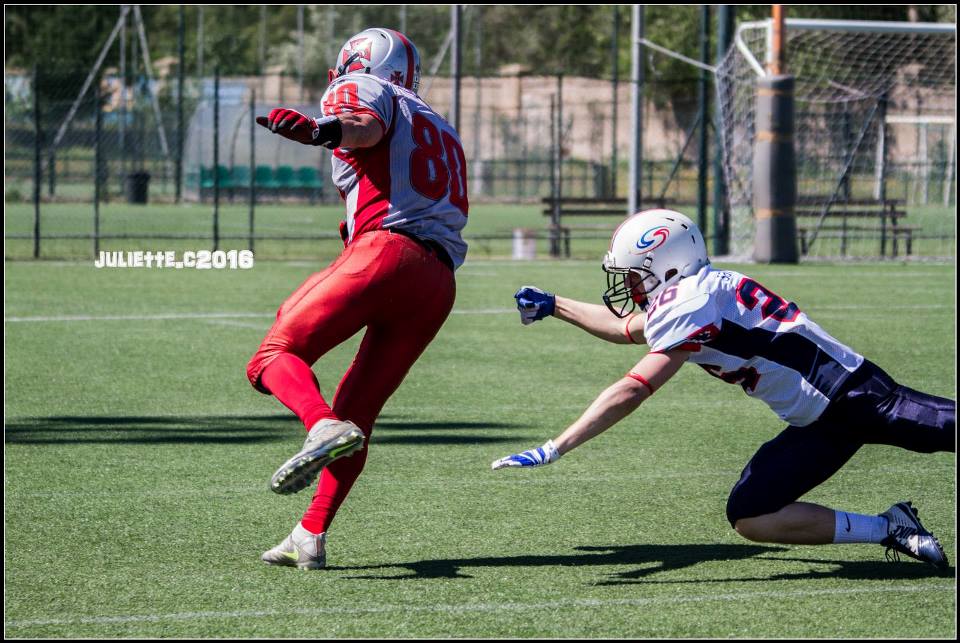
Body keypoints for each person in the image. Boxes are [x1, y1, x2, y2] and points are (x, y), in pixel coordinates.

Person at [492, 209, 953, 568]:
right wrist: (556, 305)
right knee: (750, 513)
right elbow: (625, 328)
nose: (630, 287)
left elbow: (633, 389)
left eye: (635, 275)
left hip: (858, 397)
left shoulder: (691, 299)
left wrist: (557, 446)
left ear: (665, 265)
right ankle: (890, 528)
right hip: (816, 423)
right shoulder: (693, 292)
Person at [247, 27, 469, 569]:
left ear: (358, 62)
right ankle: (310, 533)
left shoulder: (367, 88)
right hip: (437, 283)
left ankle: (318, 424)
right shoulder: (439, 123)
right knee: (358, 415)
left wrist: (323, 130)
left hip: (387, 253)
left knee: (274, 357)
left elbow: (363, 127)